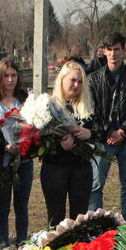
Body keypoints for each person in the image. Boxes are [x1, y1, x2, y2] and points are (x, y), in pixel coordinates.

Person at [88, 32, 126, 225]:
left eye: (117, 49)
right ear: (104, 51)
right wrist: (107, 132)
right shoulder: (94, 79)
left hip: (125, 139)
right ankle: (96, 221)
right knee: (96, 183)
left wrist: (122, 131)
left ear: (124, 50)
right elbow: (92, 111)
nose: (113, 53)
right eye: (110, 49)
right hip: (103, 140)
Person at [41, 61, 94, 226]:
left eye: (80, 81)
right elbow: (38, 141)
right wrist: (59, 145)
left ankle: (78, 243)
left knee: (79, 218)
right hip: (55, 168)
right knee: (56, 218)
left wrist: (90, 133)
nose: (76, 85)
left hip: (81, 168)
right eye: (73, 80)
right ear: (62, 79)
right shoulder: (48, 106)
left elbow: (102, 131)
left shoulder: (88, 106)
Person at [0, 57, 32, 250]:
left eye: (13, 75)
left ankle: (22, 241)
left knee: (21, 204)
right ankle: (4, 244)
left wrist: (26, 142)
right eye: (6, 75)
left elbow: (35, 126)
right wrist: (4, 146)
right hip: (2, 161)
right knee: (3, 205)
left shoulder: (25, 100)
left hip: (24, 159)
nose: (10, 80)